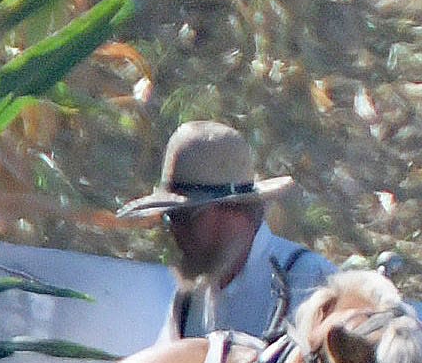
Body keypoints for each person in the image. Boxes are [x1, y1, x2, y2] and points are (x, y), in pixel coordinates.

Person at [121, 120, 337, 342]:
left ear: (235, 209)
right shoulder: (188, 302)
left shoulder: (309, 281)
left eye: (186, 216)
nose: (175, 230)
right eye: (169, 218)